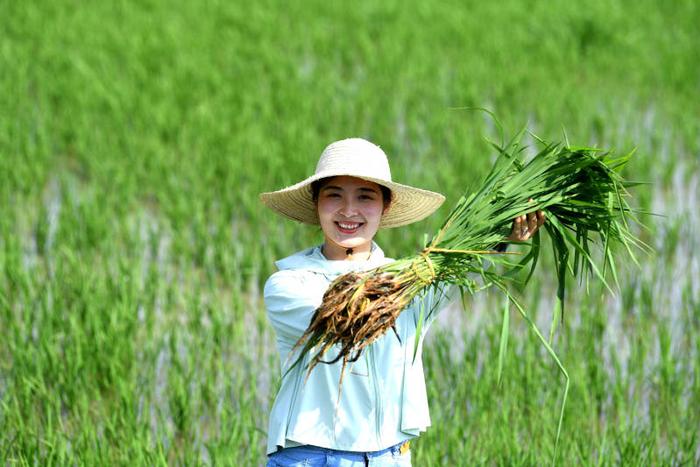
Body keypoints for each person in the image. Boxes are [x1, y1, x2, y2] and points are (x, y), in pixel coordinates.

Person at [259, 138, 544, 466]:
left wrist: (503, 235)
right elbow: (342, 318)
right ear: (316, 203)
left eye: (365, 197)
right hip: (312, 457)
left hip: (390, 457)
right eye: (334, 195)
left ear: (386, 206)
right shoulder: (290, 283)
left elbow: (467, 266)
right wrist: (418, 273)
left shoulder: (416, 280)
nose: (349, 211)